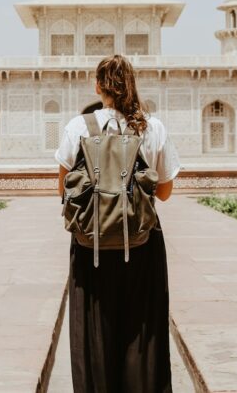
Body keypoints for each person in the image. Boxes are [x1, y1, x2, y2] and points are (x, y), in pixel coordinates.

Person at [55, 54, 181, 392]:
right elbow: (165, 192)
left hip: (91, 245)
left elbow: (64, 190)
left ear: (97, 86)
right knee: (141, 331)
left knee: (94, 333)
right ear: (132, 85)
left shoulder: (78, 126)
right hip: (141, 243)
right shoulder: (152, 128)